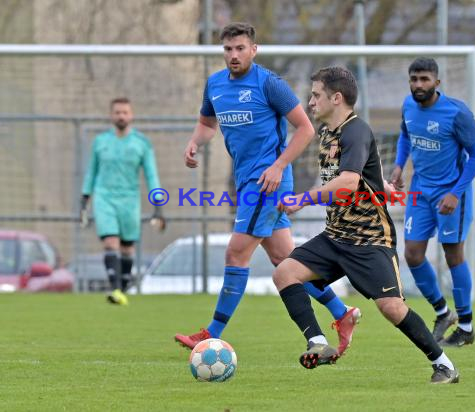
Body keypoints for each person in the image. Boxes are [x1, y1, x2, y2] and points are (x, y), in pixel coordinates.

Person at [174, 22, 361, 354]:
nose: (234, 55)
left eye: (240, 48)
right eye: (228, 49)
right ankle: (341, 312)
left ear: (253, 50)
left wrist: (277, 166)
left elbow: (304, 129)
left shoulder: (269, 84)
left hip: (267, 182)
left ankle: (211, 333)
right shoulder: (215, 85)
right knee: (284, 260)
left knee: (235, 253)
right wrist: (194, 143)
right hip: (247, 180)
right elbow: (206, 124)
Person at [274, 66, 459, 384]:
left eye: (316, 94)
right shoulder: (328, 132)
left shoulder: (355, 129)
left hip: (369, 239)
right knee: (285, 273)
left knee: (391, 308)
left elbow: (346, 183)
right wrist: (383, 185)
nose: (311, 101)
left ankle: (444, 364)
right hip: (335, 236)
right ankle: (318, 342)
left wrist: (302, 199)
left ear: (336, 97)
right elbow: (360, 172)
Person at [390, 57, 475, 346]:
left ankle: (466, 328)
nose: (419, 85)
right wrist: (398, 165)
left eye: (424, 79)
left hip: (450, 193)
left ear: (437, 83)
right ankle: (443, 313)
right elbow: (405, 136)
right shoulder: (408, 106)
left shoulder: (456, 113)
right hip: (420, 191)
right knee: (413, 254)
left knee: (452, 254)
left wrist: (456, 193)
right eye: (414, 79)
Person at [80, 97, 166, 306]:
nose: (121, 116)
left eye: (125, 112)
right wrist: (85, 200)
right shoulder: (100, 142)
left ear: (131, 115)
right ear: (111, 115)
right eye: (117, 112)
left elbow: (151, 175)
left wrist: (158, 207)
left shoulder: (142, 143)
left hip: (129, 199)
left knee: (127, 248)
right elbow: (92, 172)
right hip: (104, 197)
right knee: (110, 242)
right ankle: (116, 289)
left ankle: (122, 289)